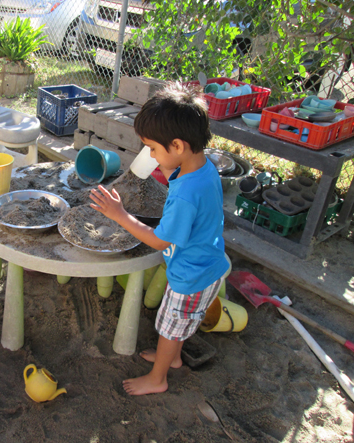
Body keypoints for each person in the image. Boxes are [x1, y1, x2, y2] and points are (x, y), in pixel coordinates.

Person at [89, 82, 229, 396]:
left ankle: (158, 377)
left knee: (169, 328)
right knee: (176, 326)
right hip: (203, 262)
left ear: (177, 146)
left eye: (153, 148)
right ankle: (174, 358)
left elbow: (158, 241)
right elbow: (183, 190)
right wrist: (165, 169)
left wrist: (120, 215)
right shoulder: (203, 168)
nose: (150, 155)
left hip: (191, 274)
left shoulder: (185, 198)